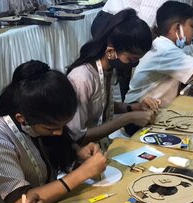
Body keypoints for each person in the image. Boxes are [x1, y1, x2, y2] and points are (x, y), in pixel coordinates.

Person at [0, 60, 108, 203]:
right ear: (22, 118)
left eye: (63, 125)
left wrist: (78, 153)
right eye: (50, 128)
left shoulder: (44, 122)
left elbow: (59, 154)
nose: (59, 132)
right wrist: (82, 173)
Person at [67, 9, 159, 143]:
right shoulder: (82, 79)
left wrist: (134, 107)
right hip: (83, 152)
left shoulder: (108, 68)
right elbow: (77, 137)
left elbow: (101, 103)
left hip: (102, 145)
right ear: (110, 52)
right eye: (131, 59)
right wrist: (128, 118)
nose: (134, 64)